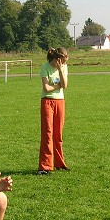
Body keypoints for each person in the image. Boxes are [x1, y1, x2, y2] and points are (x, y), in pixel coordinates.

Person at [37, 47, 69, 175]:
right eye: (62, 61)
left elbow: (65, 85)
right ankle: (44, 167)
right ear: (56, 59)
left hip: (59, 102)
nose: (64, 64)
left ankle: (59, 163)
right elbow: (46, 88)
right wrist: (58, 85)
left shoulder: (63, 67)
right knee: (48, 134)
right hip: (47, 101)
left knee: (58, 134)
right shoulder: (45, 67)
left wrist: (61, 70)